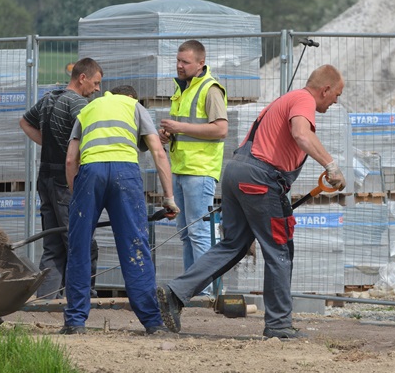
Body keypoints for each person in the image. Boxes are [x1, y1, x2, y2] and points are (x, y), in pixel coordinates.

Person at [157, 65, 347, 339]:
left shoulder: (284, 101)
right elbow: (301, 134)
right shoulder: (304, 99)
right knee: (279, 249)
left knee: (233, 245)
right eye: (336, 95)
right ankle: (279, 325)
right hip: (259, 179)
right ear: (325, 89)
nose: (336, 101)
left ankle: (175, 293)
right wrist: (331, 165)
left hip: (237, 173)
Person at [62, 85, 181, 335]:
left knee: (79, 246)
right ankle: (152, 322)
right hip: (125, 174)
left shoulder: (88, 109)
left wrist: (78, 198)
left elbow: (71, 159)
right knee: (135, 245)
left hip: (90, 173)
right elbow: (158, 152)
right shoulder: (134, 106)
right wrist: (169, 198)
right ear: (130, 97)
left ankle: (75, 322)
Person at [19, 57, 103, 299]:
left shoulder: (49, 98)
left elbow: (24, 122)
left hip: (45, 176)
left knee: (53, 244)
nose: (97, 89)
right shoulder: (78, 103)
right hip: (65, 181)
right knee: (81, 242)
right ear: (82, 78)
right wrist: (72, 153)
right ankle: (84, 297)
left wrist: (50, 143)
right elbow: (88, 135)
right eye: (96, 83)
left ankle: (46, 302)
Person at [158, 40, 228, 284]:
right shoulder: (184, 88)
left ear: (201, 63)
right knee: (187, 234)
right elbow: (188, 128)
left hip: (199, 171)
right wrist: (168, 135)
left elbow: (221, 130)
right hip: (181, 169)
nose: (179, 66)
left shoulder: (210, 89)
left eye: (185, 62)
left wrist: (179, 127)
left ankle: (204, 289)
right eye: (178, 60)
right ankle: (190, 288)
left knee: (198, 233)